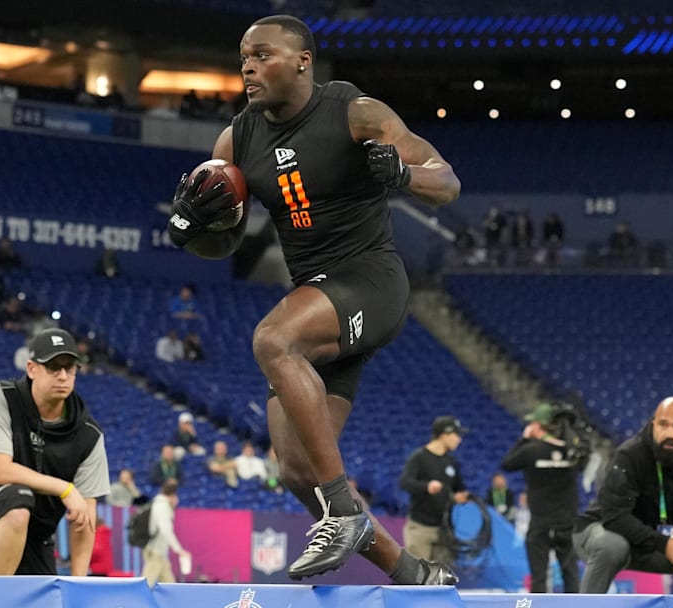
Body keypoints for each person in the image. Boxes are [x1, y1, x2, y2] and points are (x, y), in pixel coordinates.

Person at [166, 14, 460, 584]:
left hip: (371, 282)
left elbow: (446, 181)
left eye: (263, 54)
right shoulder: (236, 138)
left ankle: (343, 512)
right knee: (298, 471)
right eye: (243, 57)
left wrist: (401, 174)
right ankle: (411, 573)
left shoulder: (355, 112)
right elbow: (224, 241)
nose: (249, 66)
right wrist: (194, 227)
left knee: (273, 340)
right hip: (318, 302)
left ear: (304, 60)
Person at [0, 328, 110, 575]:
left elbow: (85, 516)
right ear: (32, 369)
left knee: (47, 599)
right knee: (17, 498)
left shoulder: (89, 434)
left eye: (70, 367)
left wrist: (78, 583)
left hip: (32, 527)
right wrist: (65, 488)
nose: (63, 376)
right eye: (53, 367)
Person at [573, 396, 673, 593]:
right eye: (663, 425)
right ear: (653, 424)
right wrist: (665, 544)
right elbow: (614, 517)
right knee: (612, 546)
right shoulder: (629, 455)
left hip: (655, 544)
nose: (669, 433)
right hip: (603, 532)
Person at [500, 403, 580, 593]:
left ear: (538, 425)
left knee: (539, 578)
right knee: (571, 575)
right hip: (567, 524)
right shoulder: (572, 453)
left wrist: (524, 439)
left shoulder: (531, 450)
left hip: (541, 524)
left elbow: (507, 464)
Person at [398, 416, 470, 565]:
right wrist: (426, 487)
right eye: (456, 435)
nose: (459, 440)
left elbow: (459, 489)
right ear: (444, 435)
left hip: (444, 529)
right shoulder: (419, 458)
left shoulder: (451, 462)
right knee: (418, 577)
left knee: (442, 579)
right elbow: (405, 483)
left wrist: (460, 497)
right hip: (420, 527)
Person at [143, 480, 191, 586]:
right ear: (173, 495)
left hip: (158, 553)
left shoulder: (160, 505)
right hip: (155, 552)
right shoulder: (162, 507)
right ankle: (136, 602)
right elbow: (166, 531)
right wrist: (179, 550)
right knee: (146, 585)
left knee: (170, 585)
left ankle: (175, 602)